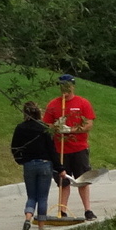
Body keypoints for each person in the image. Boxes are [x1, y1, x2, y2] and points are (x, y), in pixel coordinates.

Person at [43, 74, 97, 220]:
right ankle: (62, 210)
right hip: (60, 149)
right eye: (61, 86)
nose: (64, 89)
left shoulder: (82, 103)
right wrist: (56, 126)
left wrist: (70, 130)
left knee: (82, 180)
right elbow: (46, 125)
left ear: (72, 86)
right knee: (63, 181)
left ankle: (88, 210)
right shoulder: (53, 105)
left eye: (67, 86)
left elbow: (88, 124)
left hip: (79, 148)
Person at [10, 101, 57, 230]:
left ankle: (28, 219)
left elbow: (15, 147)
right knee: (42, 197)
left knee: (31, 196)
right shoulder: (44, 128)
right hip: (44, 164)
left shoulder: (20, 128)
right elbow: (51, 149)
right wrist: (60, 167)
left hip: (29, 164)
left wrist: (20, 160)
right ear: (38, 112)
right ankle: (41, 226)